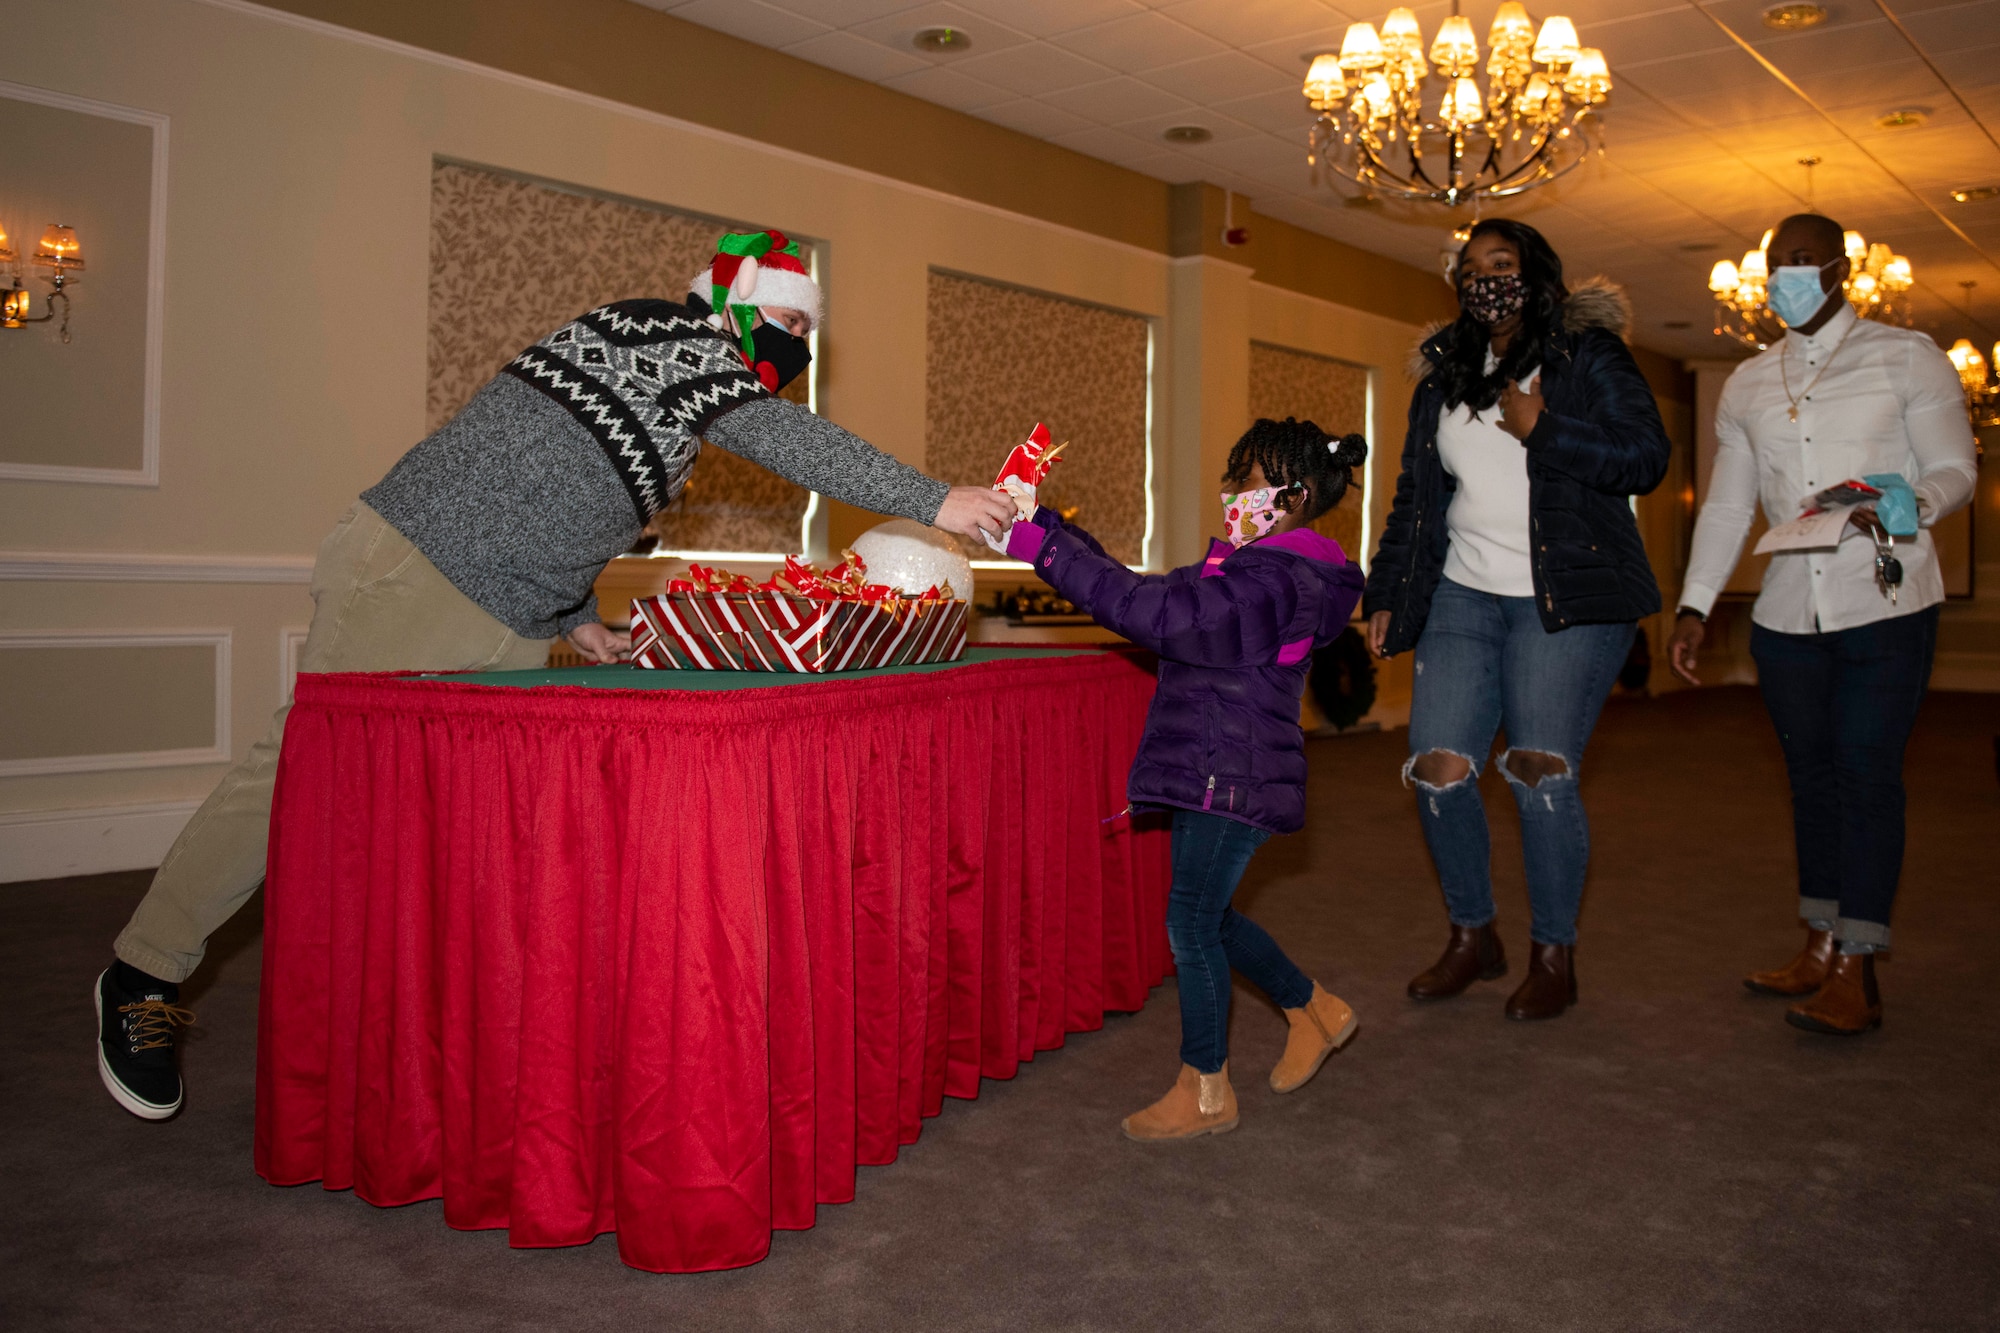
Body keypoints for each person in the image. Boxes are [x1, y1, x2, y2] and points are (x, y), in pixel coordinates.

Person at [95, 230, 1017, 1121]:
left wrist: (577, 621)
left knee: (459, 833)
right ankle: (145, 968)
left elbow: (568, 494)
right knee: (306, 773)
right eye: (793, 325)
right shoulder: (658, 328)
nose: (800, 347)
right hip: (425, 563)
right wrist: (936, 498)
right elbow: (788, 440)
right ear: (739, 310)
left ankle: (426, 1049)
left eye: (808, 334)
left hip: (514, 613)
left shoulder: (679, 407)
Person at [999, 418, 1368, 1140]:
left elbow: (1158, 615)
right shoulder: (1256, 572)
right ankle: (1315, 1010)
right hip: (1224, 768)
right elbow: (1139, 593)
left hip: (1229, 773)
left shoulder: (1269, 582)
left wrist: (1035, 545)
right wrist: (1039, 522)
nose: (1231, 491)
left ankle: (1206, 1087)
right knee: (1210, 913)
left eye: (1247, 478)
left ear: (1289, 497)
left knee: (1192, 922)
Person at [1668, 213, 1977, 1036]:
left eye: (1803, 261)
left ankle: (1858, 968)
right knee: (1811, 781)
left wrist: (1914, 501)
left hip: (1886, 600)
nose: (1786, 276)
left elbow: (1955, 467)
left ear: (1843, 268)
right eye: (1777, 264)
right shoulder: (1748, 382)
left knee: (1867, 777)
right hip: (1784, 616)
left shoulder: (1906, 355)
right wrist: (1695, 603)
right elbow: (1731, 504)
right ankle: (1818, 941)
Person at [1364, 218, 1670, 1020]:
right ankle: (1474, 934)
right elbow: (1416, 500)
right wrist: (1387, 591)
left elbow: (1645, 455)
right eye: (1470, 269)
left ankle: (1552, 950)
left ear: (1536, 274)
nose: (1484, 279)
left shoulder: (1589, 357)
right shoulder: (1441, 378)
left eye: (1501, 264)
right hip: (1462, 595)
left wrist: (1548, 431)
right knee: (1438, 767)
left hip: (1563, 599)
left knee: (1539, 771)